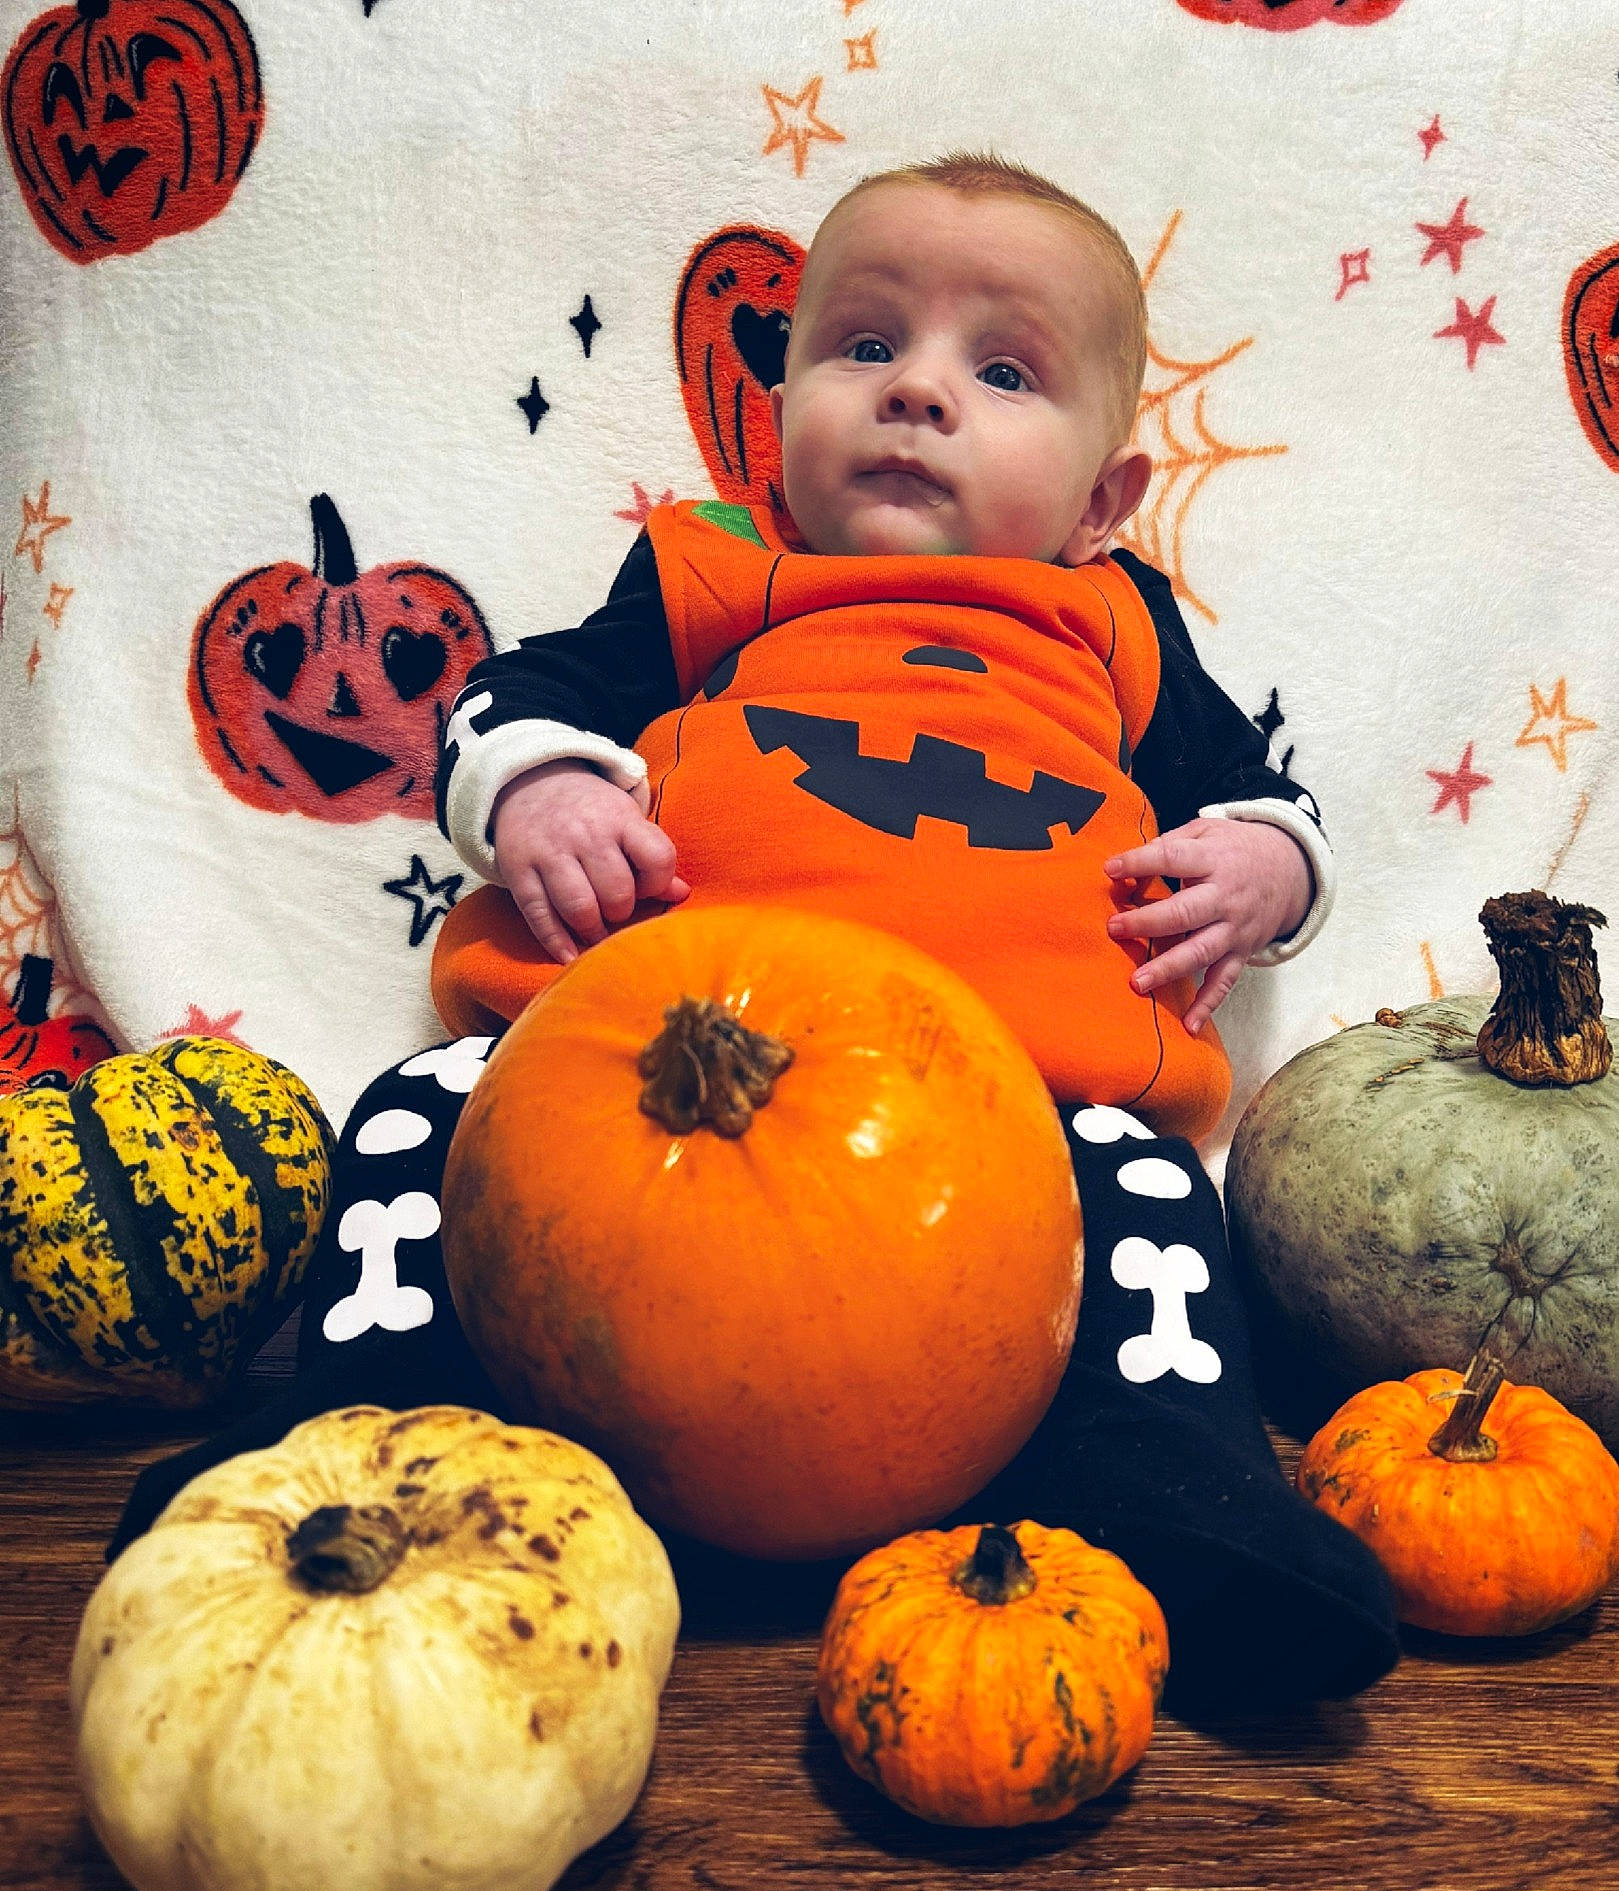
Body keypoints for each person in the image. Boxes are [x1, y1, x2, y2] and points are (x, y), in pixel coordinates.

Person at [114, 153, 1397, 1712]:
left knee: (1142, 1192)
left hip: (1016, 1086)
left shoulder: (1114, 620)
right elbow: (521, 696)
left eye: (1002, 373)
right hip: (655, 1058)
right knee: (424, 1111)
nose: (917, 390)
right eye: (865, 345)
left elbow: (1253, 789)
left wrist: (1265, 866)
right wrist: (539, 793)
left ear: (1102, 504)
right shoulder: (720, 564)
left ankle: (1171, 1481)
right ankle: (359, 1420)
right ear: (775, 416)